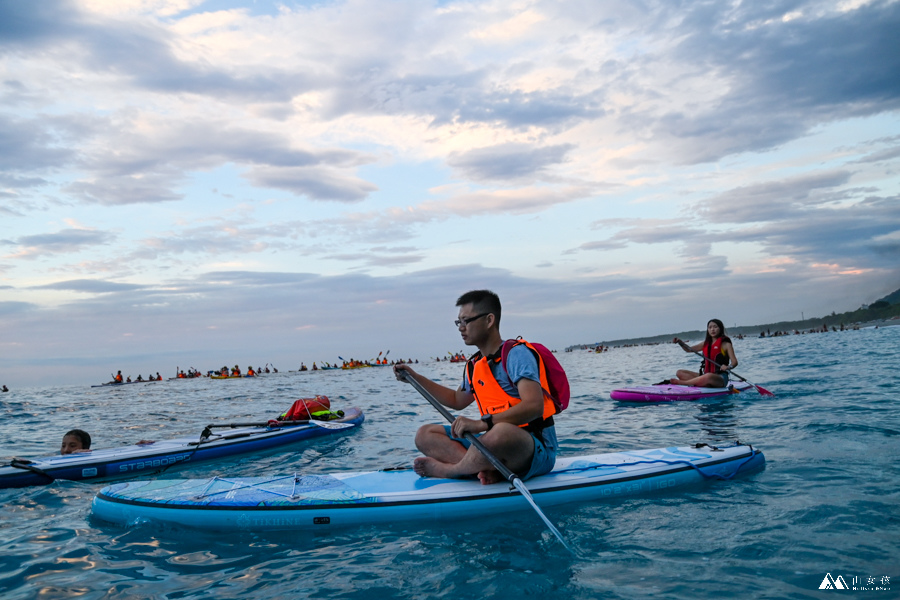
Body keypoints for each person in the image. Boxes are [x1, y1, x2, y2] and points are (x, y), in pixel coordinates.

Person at [394, 289, 559, 485]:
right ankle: (485, 471)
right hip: (494, 443)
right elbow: (456, 400)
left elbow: (534, 406)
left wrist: (482, 424)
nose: (460, 328)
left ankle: (451, 471)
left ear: (489, 321)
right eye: (458, 322)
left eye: (466, 321)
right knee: (425, 434)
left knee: (500, 433)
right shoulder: (475, 365)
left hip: (534, 449)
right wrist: (415, 377)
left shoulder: (516, 355)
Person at [671, 318, 738, 388]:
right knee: (680, 373)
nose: (712, 329)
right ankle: (701, 382)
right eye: (710, 327)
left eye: (715, 327)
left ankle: (683, 383)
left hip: (720, 378)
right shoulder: (705, 343)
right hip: (705, 375)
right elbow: (689, 350)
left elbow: (734, 362)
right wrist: (680, 342)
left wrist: (728, 367)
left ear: (720, 328)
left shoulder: (726, 344)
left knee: (708, 376)